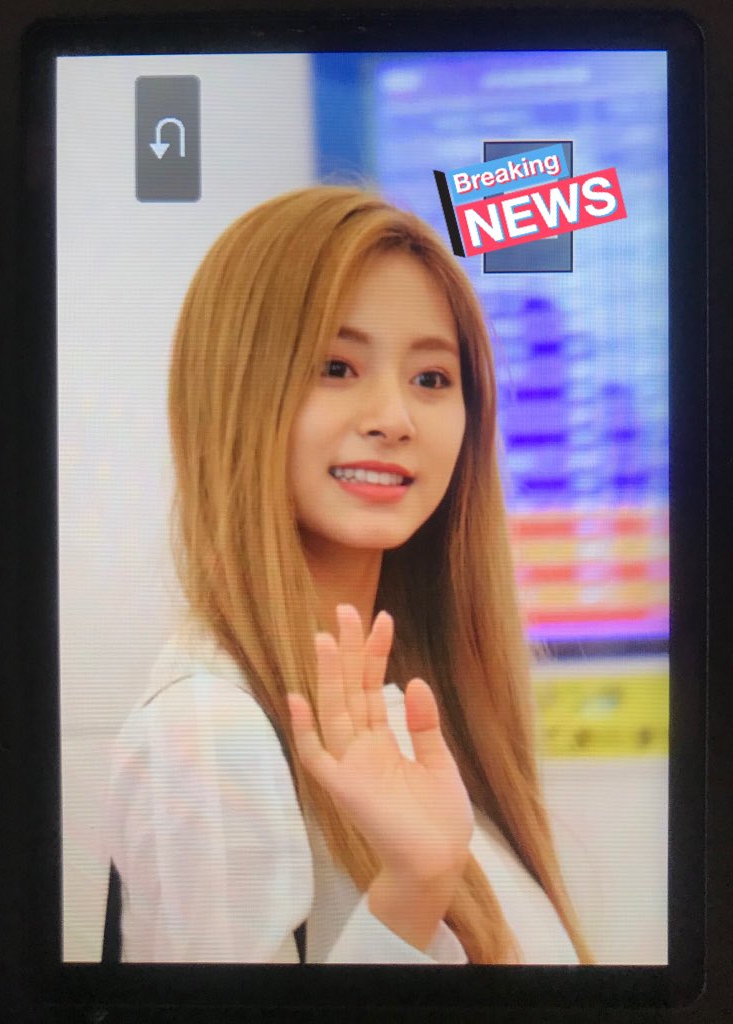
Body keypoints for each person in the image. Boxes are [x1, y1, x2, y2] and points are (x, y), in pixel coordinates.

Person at [104, 185, 594, 965]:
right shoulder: (209, 731)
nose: (394, 418)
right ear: (235, 393)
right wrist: (412, 889)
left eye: (431, 379)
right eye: (337, 367)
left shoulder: (432, 706)